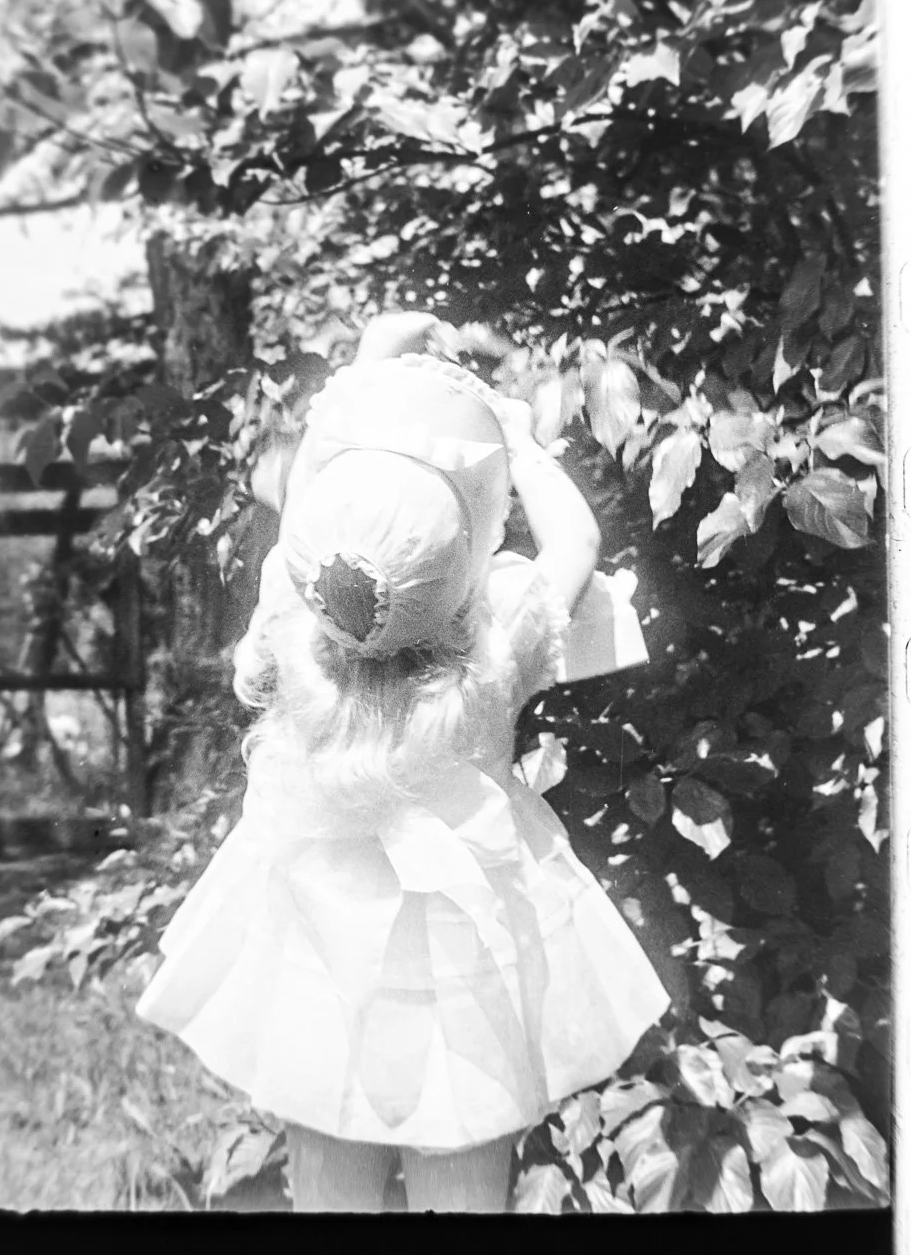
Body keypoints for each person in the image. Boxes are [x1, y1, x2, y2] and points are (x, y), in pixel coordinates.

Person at [136, 312, 670, 1213]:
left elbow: (309, 500)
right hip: (467, 941)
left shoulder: (293, 623)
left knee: (326, 1154)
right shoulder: (495, 646)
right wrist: (513, 438)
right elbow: (576, 544)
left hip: (318, 927)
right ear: (465, 558)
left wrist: (361, 369)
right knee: (463, 1159)